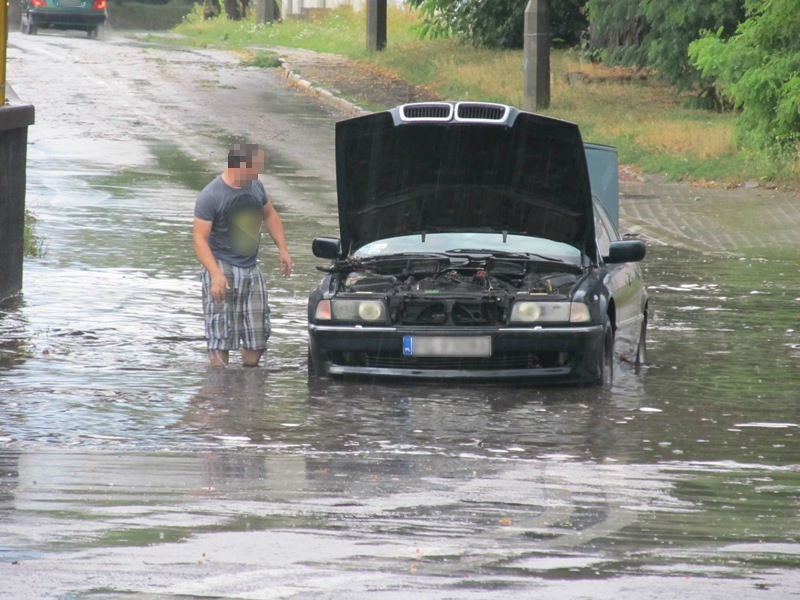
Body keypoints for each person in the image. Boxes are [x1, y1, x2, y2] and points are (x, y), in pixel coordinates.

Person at [193, 143, 293, 367]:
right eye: (255, 168)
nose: (259, 173)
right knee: (221, 336)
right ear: (239, 166)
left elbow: (269, 214)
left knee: (257, 334)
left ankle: (250, 388)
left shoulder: (256, 186)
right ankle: (221, 389)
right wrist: (215, 275)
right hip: (221, 266)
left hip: (251, 267)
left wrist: (283, 249)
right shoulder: (211, 195)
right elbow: (200, 239)